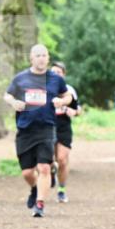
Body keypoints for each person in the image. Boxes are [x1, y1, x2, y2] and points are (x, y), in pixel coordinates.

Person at [3, 44, 71, 218]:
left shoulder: (55, 78)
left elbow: (67, 96)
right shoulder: (21, 78)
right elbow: (7, 95)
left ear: (48, 58)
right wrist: (13, 103)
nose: (41, 58)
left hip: (46, 128)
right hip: (25, 129)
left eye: (44, 55)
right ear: (31, 58)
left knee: (44, 167)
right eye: (38, 55)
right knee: (27, 172)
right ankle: (34, 188)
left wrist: (61, 102)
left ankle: (40, 204)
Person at [50, 61, 81, 203]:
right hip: (47, 125)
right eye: (53, 72)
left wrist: (72, 112)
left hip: (63, 126)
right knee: (48, 160)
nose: (56, 75)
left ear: (64, 74)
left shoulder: (69, 90)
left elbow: (78, 109)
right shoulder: (45, 88)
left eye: (59, 72)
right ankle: (49, 173)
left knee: (62, 159)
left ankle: (61, 190)